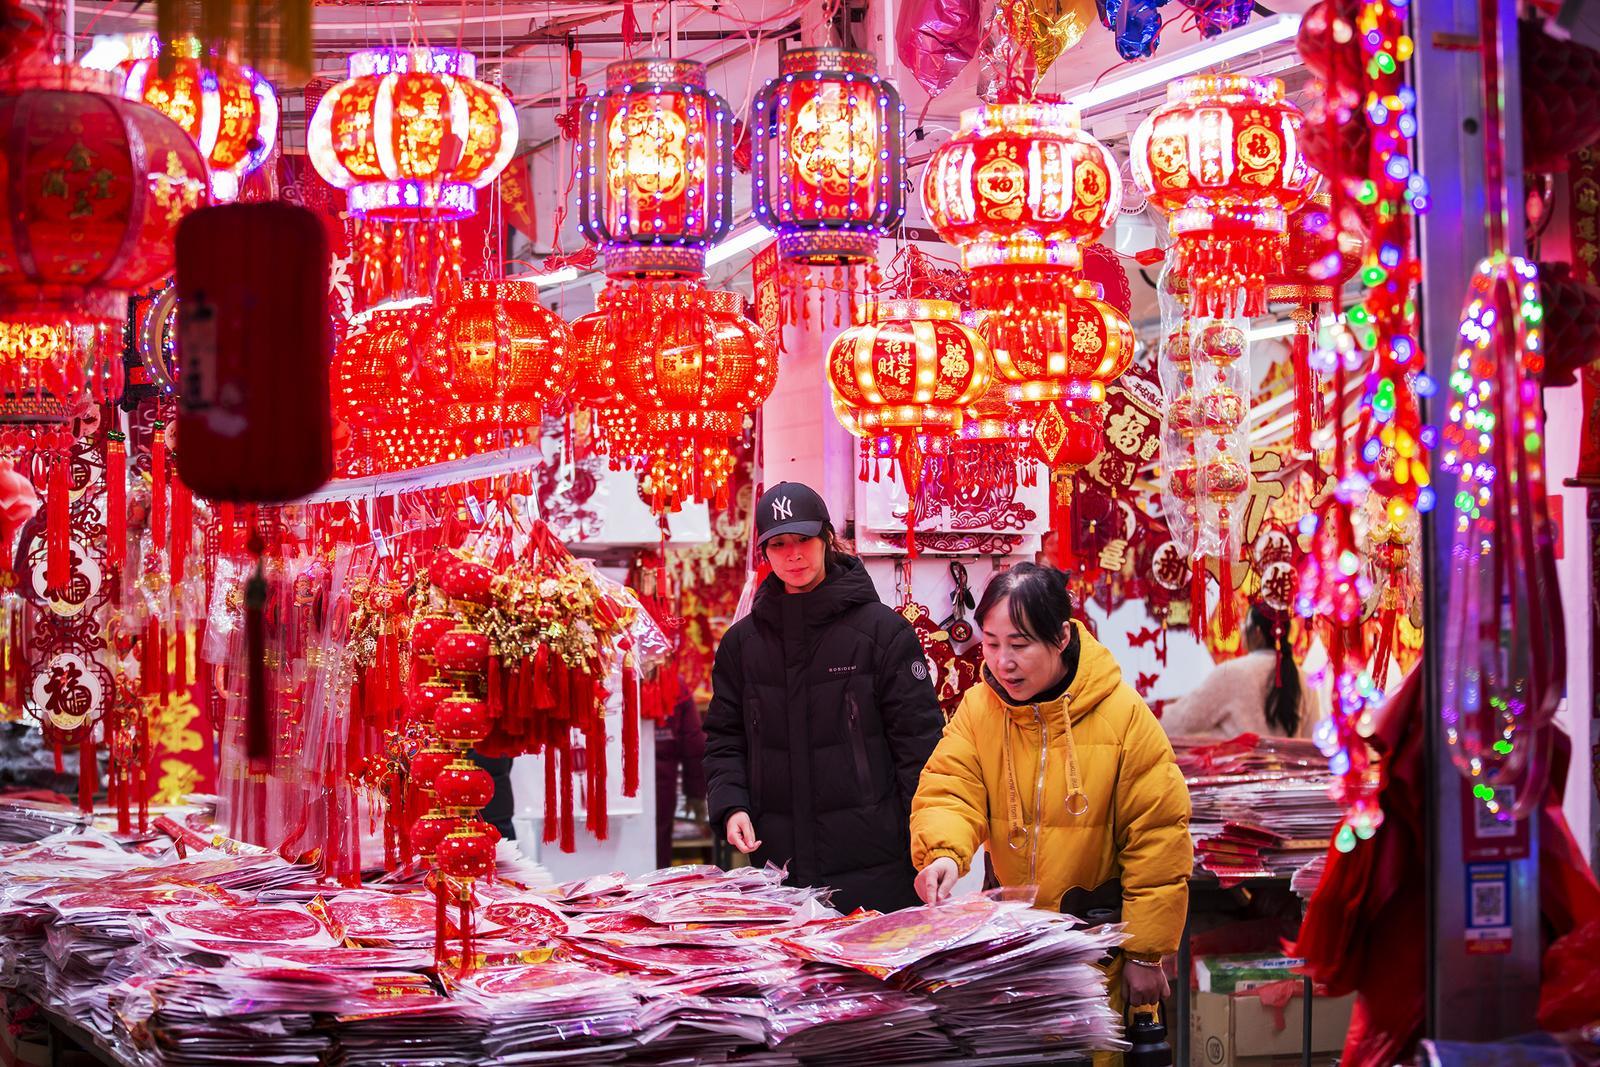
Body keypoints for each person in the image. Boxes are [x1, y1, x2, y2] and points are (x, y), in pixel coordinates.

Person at [910, 563, 1191, 1020]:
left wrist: (1145, 953)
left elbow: (1158, 838)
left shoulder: (1123, 715)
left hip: (1097, 956)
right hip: (1009, 953)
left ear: (1061, 638)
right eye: (992, 643)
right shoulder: (981, 708)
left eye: (1019, 645)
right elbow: (949, 788)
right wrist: (943, 853)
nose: (1003, 661)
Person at [703, 481, 944, 913]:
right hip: (780, 869)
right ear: (765, 553)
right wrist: (731, 805)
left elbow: (920, 747)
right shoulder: (743, 644)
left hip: (878, 866)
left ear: (828, 539)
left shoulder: (882, 633)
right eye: (778, 544)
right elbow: (725, 737)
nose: (793, 554)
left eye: (803, 539)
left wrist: (927, 841)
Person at [1160, 601, 1308, 738]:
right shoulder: (1305, 679)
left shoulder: (1231, 673)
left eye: (1244, 623)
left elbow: (1182, 719)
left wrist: (1146, 716)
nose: (1241, 628)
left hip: (1239, 767)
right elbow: (1311, 739)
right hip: (1286, 766)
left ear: (1257, 633)